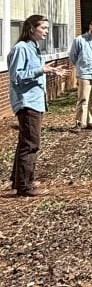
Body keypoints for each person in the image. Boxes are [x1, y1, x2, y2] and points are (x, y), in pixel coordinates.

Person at [8, 15, 67, 198]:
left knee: (25, 142)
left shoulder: (34, 48)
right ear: (31, 28)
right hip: (27, 102)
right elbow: (16, 76)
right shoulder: (21, 48)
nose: (47, 32)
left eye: (48, 28)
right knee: (31, 144)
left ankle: (18, 180)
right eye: (43, 28)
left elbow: (34, 73)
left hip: (36, 101)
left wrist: (51, 71)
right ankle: (25, 186)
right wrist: (41, 69)